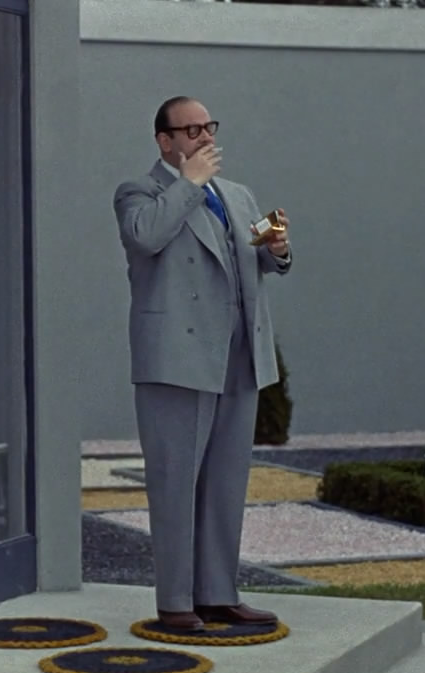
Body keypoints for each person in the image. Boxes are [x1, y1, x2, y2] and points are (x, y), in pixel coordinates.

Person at [112, 96, 293, 631]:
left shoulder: (237, 194)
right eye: (191, 130)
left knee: (225, 482)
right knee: (174, 482)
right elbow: (145, 237)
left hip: (238, 355)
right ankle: (175, 602)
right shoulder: (140, 192)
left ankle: (217, 594)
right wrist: (188, 183)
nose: (205, 136)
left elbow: (261, 259)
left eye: (208, 126)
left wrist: (278, 249)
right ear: (164, 141)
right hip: (178, 357)